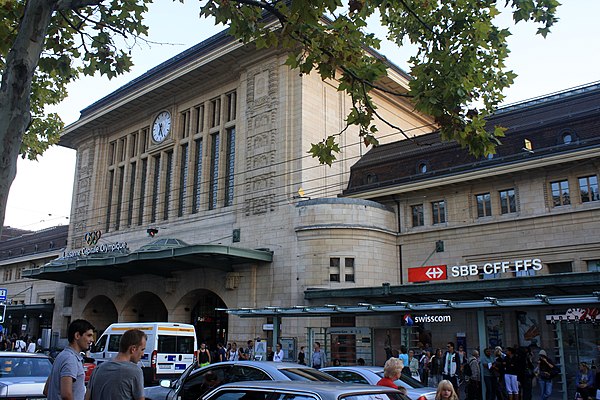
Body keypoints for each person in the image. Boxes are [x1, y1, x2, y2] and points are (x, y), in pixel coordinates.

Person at [85, 329, 146, 400]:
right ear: (133, 349)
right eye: (142, 349)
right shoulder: (135, 371)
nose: (143, 354)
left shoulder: (98, 369)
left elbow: (87, 397)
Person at [44, 319, 95, 400]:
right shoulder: (70, 359)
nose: (92, 340)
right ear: (77, 335)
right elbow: (66, 395)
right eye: (89, 335)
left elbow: (46, 390)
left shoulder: (61, 356)